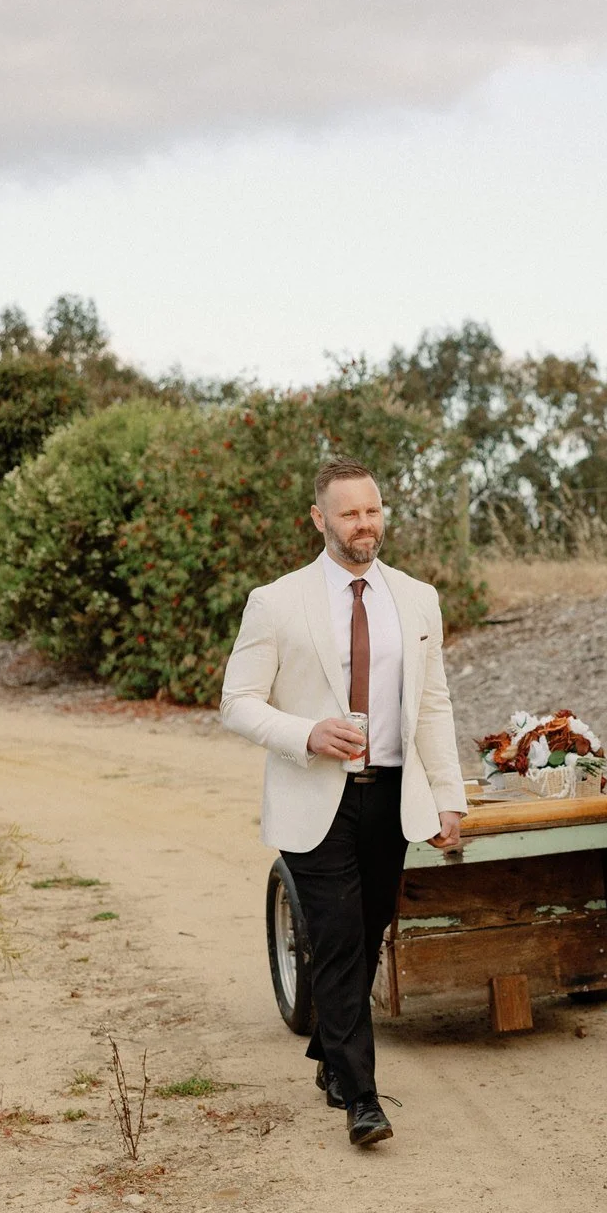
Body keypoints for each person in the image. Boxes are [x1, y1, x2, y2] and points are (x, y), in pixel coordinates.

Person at [220, 456, 467, 1149]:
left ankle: (329, 1049)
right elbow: (236, 703)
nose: (365, 524)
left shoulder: (417, 599)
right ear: (319, 518)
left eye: (374, 510)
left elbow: (433, 705)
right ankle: (361, 1097)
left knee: (368, 929)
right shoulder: (277, 601)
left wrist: (448, 795)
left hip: (392, 796)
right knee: (334, 940)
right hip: (314, 798)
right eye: (350, 513)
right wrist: (305, 732)